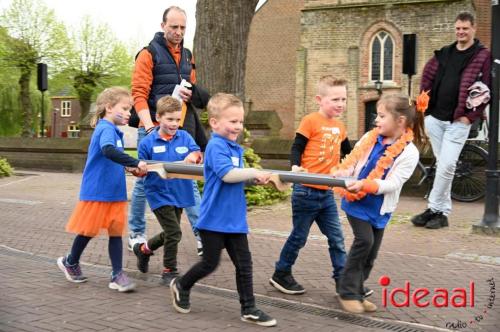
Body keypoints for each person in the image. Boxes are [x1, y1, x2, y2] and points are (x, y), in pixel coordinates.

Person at [169, 93, 277, 327]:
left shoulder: (233, 148)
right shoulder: (217, 146)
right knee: (209, 263)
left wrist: (252, 179)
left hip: (234, 219)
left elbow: (236, 176)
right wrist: (253, 173)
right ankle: (181, 285)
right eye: (232, 121)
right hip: (214, 220)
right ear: (215, 123)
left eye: (240, 121)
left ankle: (249, 308)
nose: (238, 126)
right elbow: (227, 175)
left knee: (244, 265)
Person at [332, 93, 423, 313]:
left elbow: (393, 183)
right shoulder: (368, 138)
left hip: (379, 207)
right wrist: (342, 173)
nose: (376, 120)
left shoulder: (410, 152)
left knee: (371, 253)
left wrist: (367, 185)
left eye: (381, 116)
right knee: (364, 241)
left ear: (400, 121)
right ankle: (346, 292)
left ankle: (357, 291)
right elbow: (353, 163)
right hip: (356, 202)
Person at [128, 5, 208, 254]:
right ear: (163, 26)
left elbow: (191, 87)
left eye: (183, 27)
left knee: (188, 178)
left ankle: (200, 234)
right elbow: (139, 95)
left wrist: (190, 92)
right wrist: (150, 127)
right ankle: (136, 233)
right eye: (174, 26)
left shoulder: (187, 55)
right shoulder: (148, 54)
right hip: (151, 128)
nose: (178, 32)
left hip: (178, 129)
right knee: (144, 183)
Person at [57, 87, 147, 292]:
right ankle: (70, 261)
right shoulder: (105, 128)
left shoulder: (115, 132)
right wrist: (135, 161)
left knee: (116, 233)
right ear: (108, 107)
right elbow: (107, 150)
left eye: (130, 109)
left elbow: (114, 157)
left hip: (114, 191)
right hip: (98, 190)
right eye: (124, 108)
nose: (129, 114)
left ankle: (117, 275)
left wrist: (130, 167)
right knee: (88, 230)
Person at [269, 76, 350, 295]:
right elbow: (297, 147)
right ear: (319, 99)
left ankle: (343, 282)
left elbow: (349, 154)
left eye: (344, 99)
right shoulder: (311, 121)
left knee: (337, 238)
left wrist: (351, 170)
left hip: (327, 194)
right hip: (306, 190)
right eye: (335, 99)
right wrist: (295, 166)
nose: (340, 104)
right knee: (299, 237)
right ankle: (281, 273)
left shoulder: (341, 127)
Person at [411, 11, 491, 229]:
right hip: (435, 118)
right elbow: (427, 79)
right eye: (458, 28)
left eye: (465, 28)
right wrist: (424, 110)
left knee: (446, 165)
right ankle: (440, 212)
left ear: (473, 28)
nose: (461, 32)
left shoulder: (482, 55)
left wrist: (470, 116)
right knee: (443, 165)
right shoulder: (445, 53)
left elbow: (486, 89)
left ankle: (435, 209)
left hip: (459, 120)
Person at [133, 96, 202, 285]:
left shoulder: (185, 137)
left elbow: (197, 153)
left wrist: (193, 157)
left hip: (181, 192)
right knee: (175, 233)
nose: (174, 124)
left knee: (171, 232)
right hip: (159, 193)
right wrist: (139, 170)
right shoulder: (147, 143)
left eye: (177, 120)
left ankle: (144, 249)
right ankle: (169, 270)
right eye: (169, 119)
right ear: (158, 117)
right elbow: (140, 172)